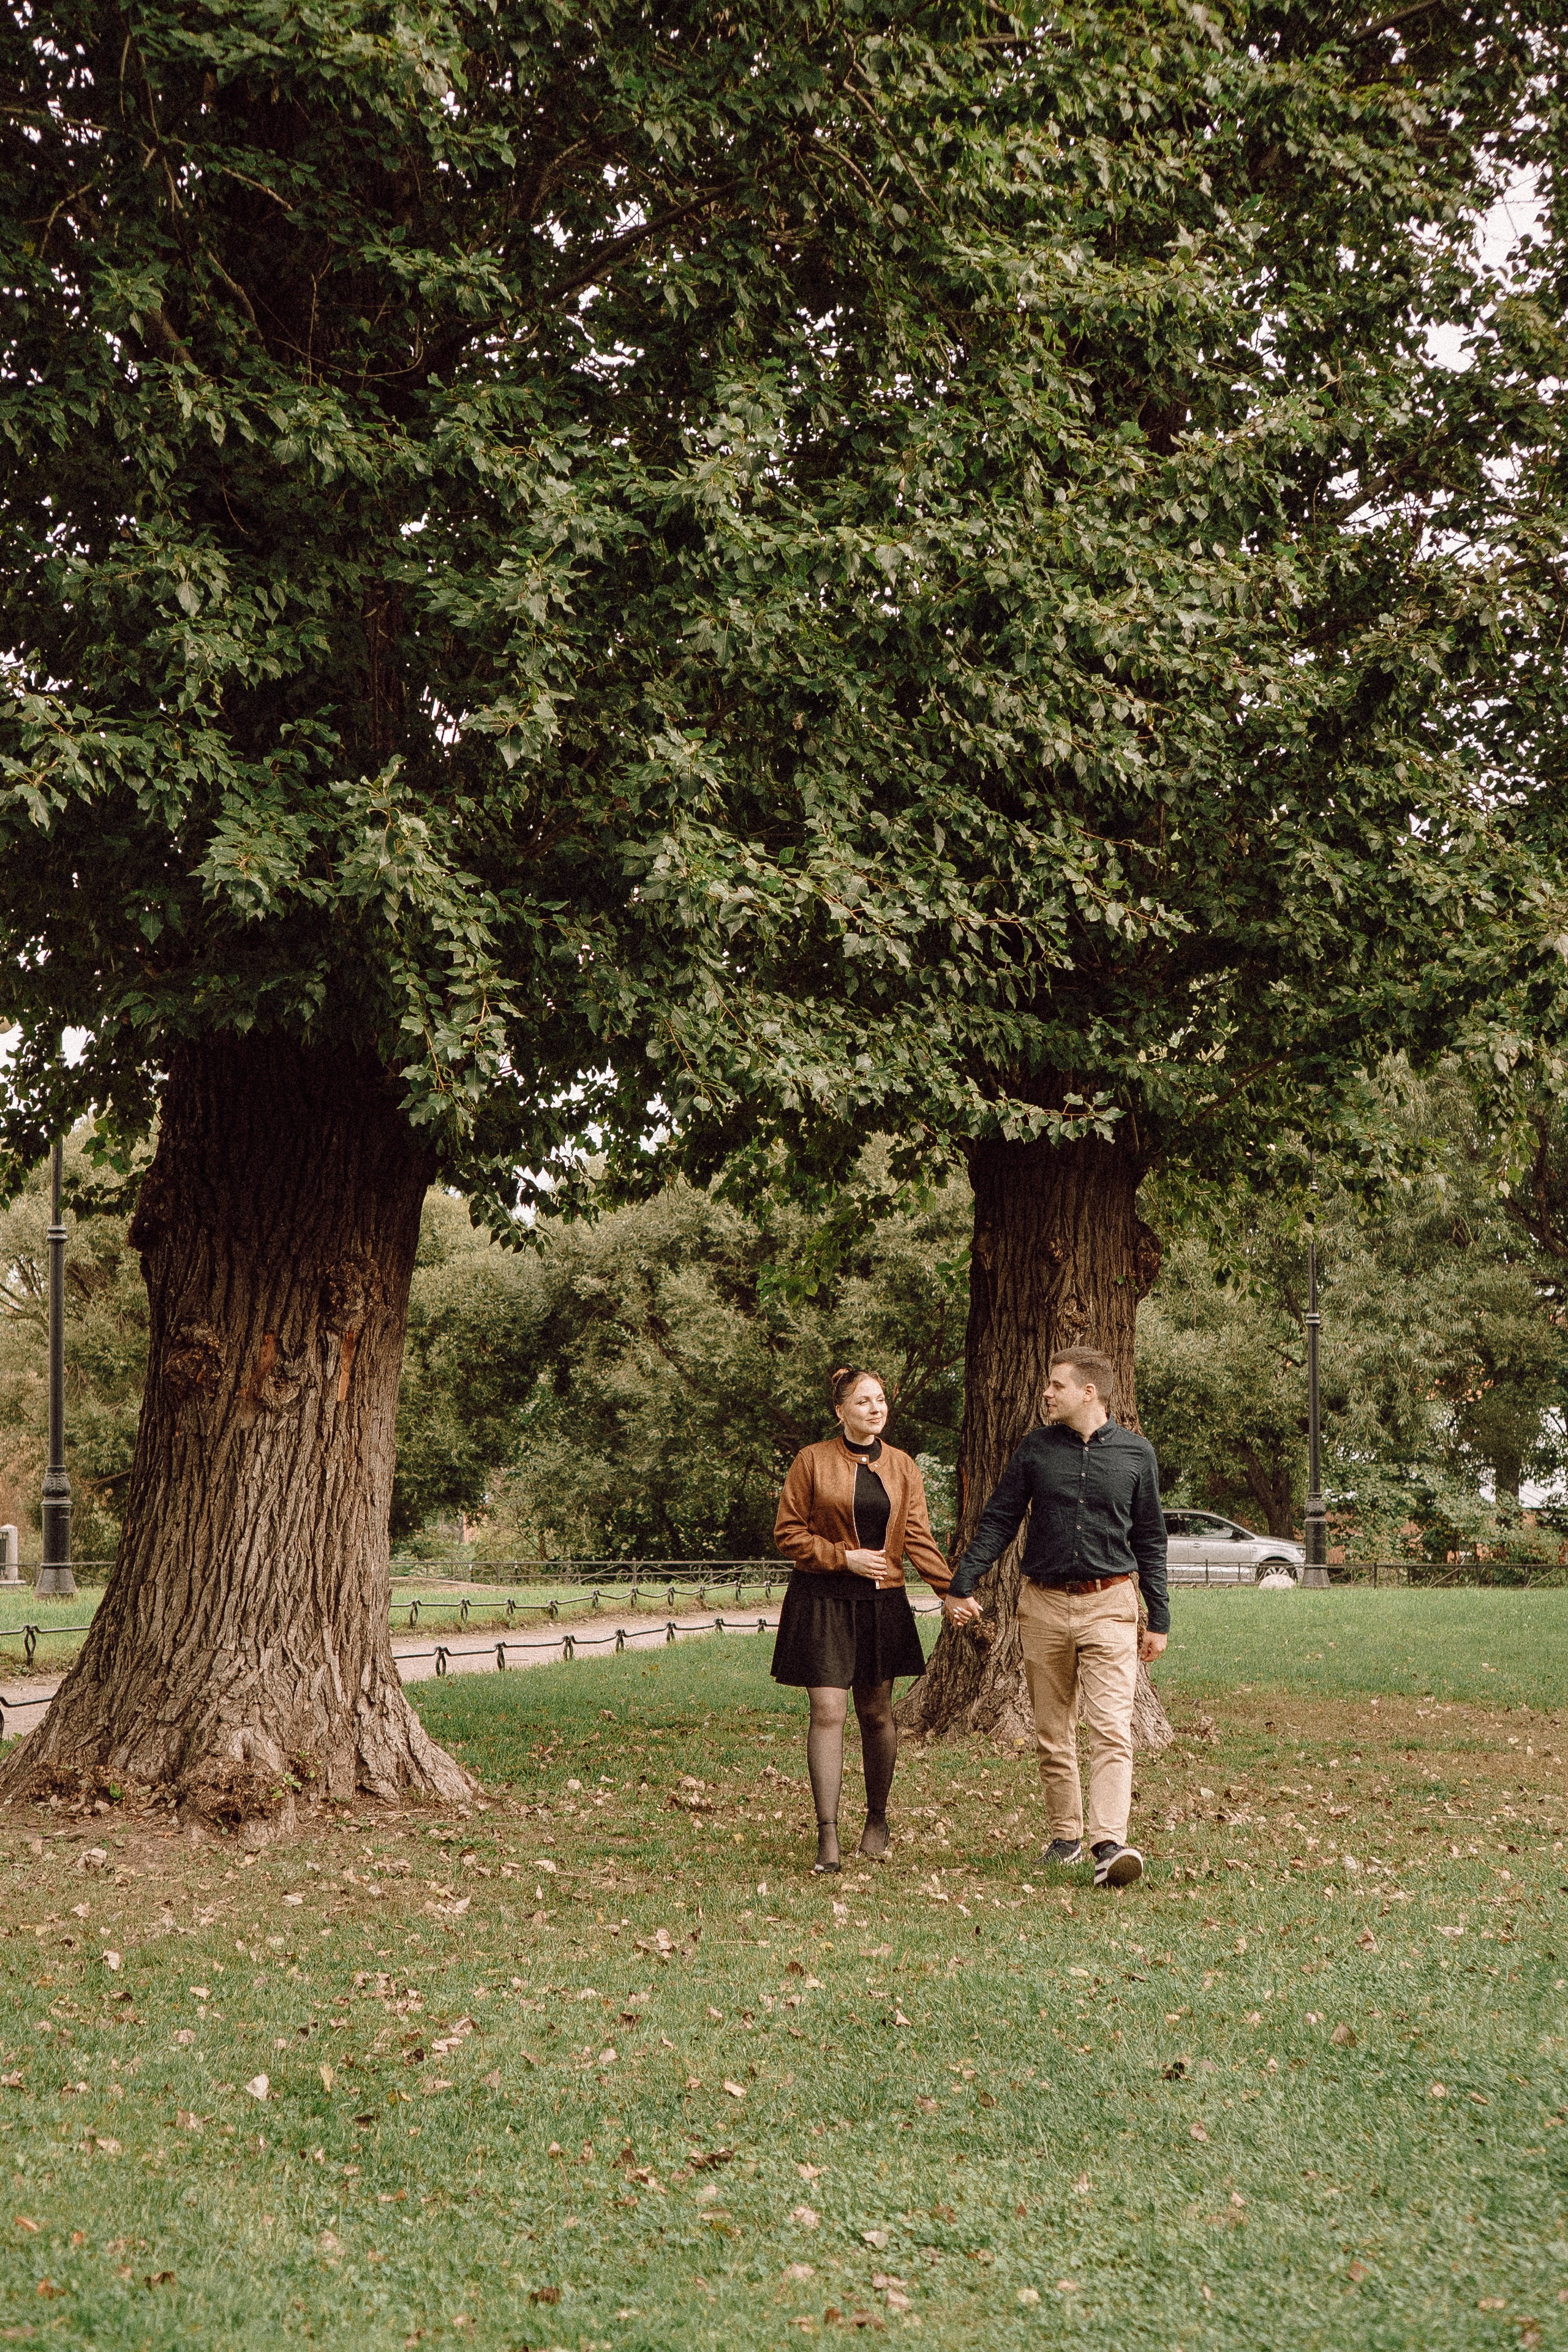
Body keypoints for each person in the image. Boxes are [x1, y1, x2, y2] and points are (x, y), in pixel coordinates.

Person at [942, 1348, 1168, 1888]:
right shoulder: (1035, 1450)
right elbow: (999, 1518)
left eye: (1056, 1385)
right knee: (1052, 1731)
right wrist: (963, 1580)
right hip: (1041, 1604)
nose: (1046, 1392)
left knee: (1111, 1727)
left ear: (1089, 1392)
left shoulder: (1137, 1455)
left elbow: (1151, 1540)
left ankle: (1109, 1843)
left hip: (1110, 1604)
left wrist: (1158, 1617)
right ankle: (1066, 1837)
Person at [772, 1368, 953, 1872]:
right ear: (840, 1411)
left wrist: (951, 1590)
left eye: (880, 1401)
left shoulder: (901, 1466)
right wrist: (842, 1557)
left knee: (876, 1714)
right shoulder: (811, 1461)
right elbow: (787, 1534)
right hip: (822, 1598)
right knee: (828, 1711)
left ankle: (877, 1819)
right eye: (863, 1402)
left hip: (881, 1603)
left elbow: (917, 1536)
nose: (876, 1409)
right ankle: (827, 1835)